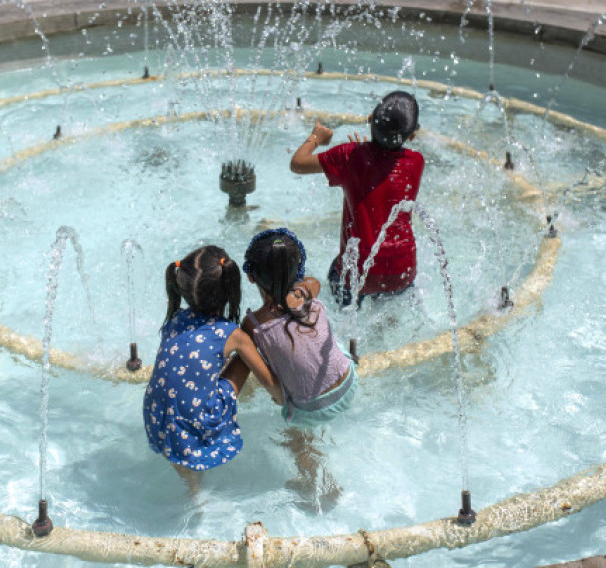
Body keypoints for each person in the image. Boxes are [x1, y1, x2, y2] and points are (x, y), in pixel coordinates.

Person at [143, 245, 280, 494]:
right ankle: (195, 467)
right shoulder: (233, 335)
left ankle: (192, 488)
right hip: (198, 422)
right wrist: (283, 397)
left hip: (158, 419)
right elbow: (270, 383)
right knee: (246, 351)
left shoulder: (175, 320)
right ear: (230, 288)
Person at [241, 228, 357, 509]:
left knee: (295, 441)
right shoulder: (308, 293)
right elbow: (313, 284)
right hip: (348, 383)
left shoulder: (254, 325)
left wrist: (283, 401)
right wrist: (299, 289)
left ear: (251, 277)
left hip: (312, 408)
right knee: (326, 340)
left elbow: (272, 387)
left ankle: (322, 485)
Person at [290, 90, 425, 306]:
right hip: (402, 273)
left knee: (337, 273)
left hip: (358, 275)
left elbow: (297, 163)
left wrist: (317, 137)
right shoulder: (417, 162)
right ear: (412, 136)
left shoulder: (348, 157)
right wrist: (362, 153)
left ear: (370, 118)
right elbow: (381, 171)